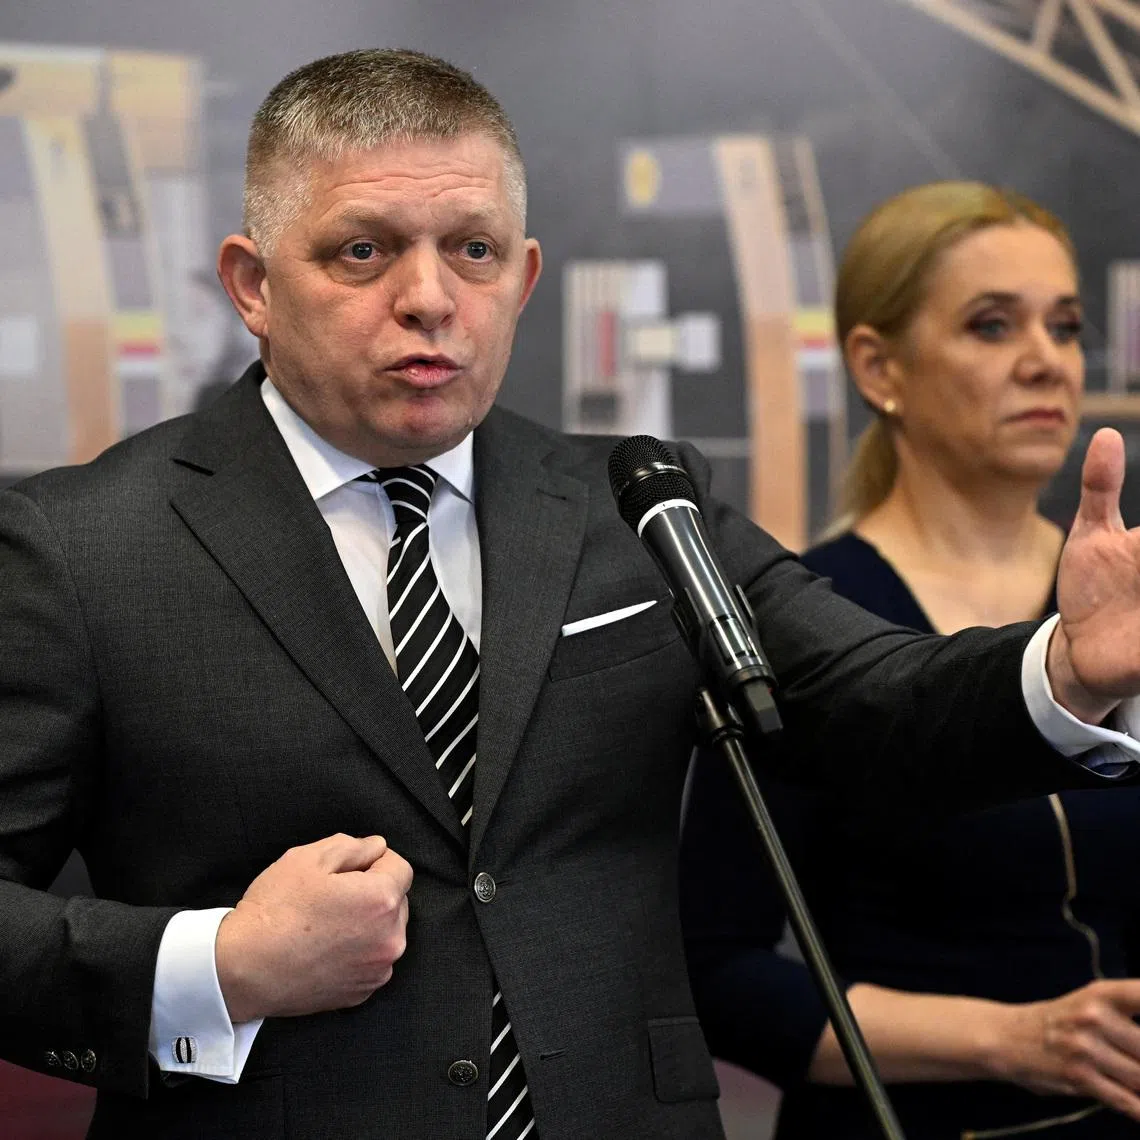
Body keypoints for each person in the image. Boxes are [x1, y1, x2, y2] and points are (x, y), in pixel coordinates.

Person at [2, 53, 1140, 1140]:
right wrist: (218, 967)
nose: (430, 299)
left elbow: (877, 698)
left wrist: (1071, 669)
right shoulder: (87, 544)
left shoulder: (635, 503)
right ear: (253, 284)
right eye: (362, 252)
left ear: (526, 277)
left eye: (475, 251)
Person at [681, 182, 1140, 1138]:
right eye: (990, 326)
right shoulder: (801, 618)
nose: (1044, 362)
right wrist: (1012, 1039)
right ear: (878, 364)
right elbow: (719, 970)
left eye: (1063, 326)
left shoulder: (1120, 599)